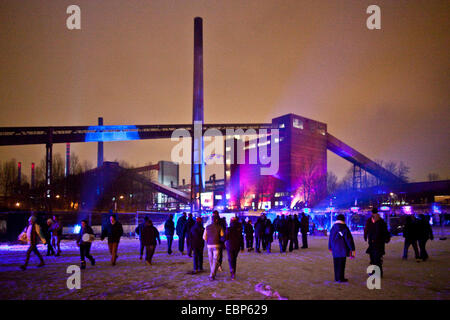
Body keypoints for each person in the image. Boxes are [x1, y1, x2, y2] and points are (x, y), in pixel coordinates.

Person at [329, 214, 356, 283]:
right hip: (342, 248)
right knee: (342, 263)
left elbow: (330, 238)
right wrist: (352, 248)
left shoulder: (333, 227)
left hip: (335, 248)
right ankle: (341, 277)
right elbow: (349, 239)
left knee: (336, 263)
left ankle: (337, 277)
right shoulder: (344, 228)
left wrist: (330, 246)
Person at [364, 208, 390, 277]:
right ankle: (376, 272)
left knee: (376, 258)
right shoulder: (381, 221)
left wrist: (366, 236)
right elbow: (385, 231)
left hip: (375, 242)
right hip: (377, 242)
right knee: (376, 257)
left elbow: (368, 229)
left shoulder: (373, 221)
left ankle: (377, 272)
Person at [203, 214, 225, 281]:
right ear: (217, 220)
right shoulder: (219, 227)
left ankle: (212, 272)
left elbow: (204, 237)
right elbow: (222, 235)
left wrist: (209, 240)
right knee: (215, 260)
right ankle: (212, 274)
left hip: (209, 245)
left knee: (211, 260)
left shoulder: (207, 227)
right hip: (216, 244)